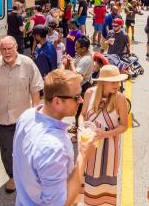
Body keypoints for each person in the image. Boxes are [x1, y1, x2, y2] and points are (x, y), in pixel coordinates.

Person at [13, 69, 96, 206]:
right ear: (57, 102)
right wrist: (83, 155)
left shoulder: (27, 116)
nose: (81, 100)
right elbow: (60, 203)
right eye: (76, 97)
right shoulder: (53, 148)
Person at [0, 36, 43, 194]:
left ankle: (28, 174)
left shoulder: (28, 64)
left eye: (10, 48)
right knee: (6, 149)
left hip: (24, 117)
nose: (7, 52)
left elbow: (35, 88)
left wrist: (36, 112)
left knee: (26, 148)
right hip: (1, 117)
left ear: (16, 47)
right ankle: (12, 176)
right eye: (4, 49)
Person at [81, 65, 129, 205]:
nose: (117, 84)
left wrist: (106, 134)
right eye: (113, 81)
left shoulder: (120, 98)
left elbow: (124, 126)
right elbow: (82, 115)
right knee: (89, 177)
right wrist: (82, 127)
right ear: (103, 82)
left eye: (118, 81)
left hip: (109, 148)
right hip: (90, 144)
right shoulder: (89, 93)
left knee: (106, 183)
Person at [64, 36, 94, 136]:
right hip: (79, 87)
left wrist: (72, 62)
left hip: (83, 88)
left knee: (81, 112)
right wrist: (69, 62)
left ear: (84, 49)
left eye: (77, 48)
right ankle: (77, 127)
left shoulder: (86, 60)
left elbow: (77, 76)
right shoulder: (81, 56)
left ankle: (79, 133)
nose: (75, 50)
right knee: (77, 110)